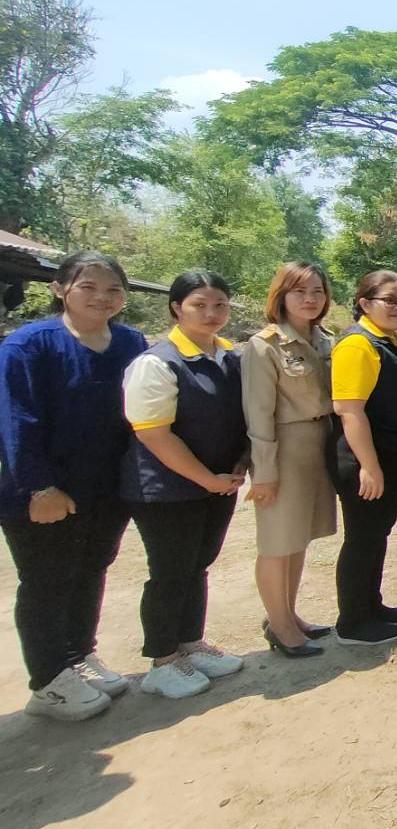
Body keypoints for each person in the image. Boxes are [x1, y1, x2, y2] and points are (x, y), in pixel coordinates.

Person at [0, 252, 147, 720]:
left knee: (91, 569)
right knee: (46, 580)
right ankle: (48, 682)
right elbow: (16, 420)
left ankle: (78, 655)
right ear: (60, 289)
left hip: (107, 487)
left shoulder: (130, 343)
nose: (102, 298)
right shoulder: (28, 346)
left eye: (113, 289)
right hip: (46, 492)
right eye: (88, 287)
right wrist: (37, 487)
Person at [122, 272, 249, 698]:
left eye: (220, 305)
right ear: (177, 308)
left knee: (197, 564)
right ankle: (162, 660)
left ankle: (191, 644)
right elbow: (153, 434)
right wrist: (207, 479)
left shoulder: (229, 357)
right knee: (170, 571)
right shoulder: (157, 363)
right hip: (168, 489)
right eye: (199, 305)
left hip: (216, 484)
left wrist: (238, 464)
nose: (211, 314)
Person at [242, 262, 337, 659]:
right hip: (284, 447)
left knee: (299, 538)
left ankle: (289, 614)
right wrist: (264, 472)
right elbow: (258, 413)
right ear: (281, 296)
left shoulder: (324, 340)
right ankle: (279, 625)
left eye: (317, 291)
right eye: (300, 291)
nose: (310, 299)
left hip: (320, 441)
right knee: (277, 542)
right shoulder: (264, 345)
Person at [329, 270, 397, 646]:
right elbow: (350, 411)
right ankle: (353, 622)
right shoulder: (357, 345)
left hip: (395, 454)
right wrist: (369, 467)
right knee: (363, 538)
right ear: (365, 303)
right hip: (366, 460)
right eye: (390, 300)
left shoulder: (396, 340)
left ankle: (372, 605)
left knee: (377, 535)